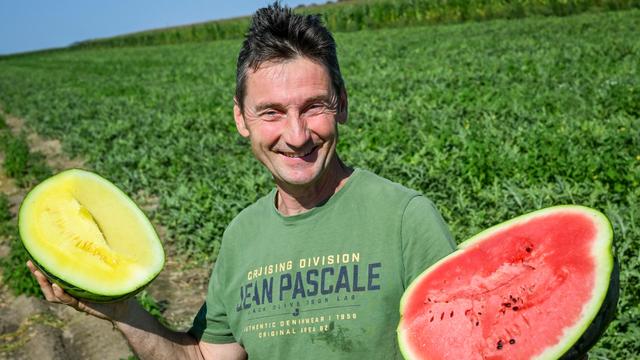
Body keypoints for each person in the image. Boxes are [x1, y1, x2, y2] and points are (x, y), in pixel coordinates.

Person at [28, 3, 456, 359]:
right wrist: (121, 309)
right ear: (241, 119)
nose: (296, 135)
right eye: (271, 112)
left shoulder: (405, 219)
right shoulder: (242, 237)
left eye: (313, 107)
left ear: (341, 104)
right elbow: (200, 356)